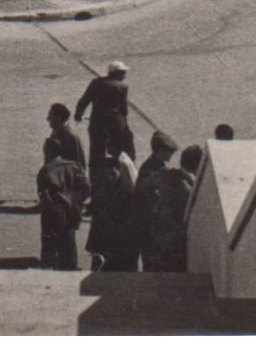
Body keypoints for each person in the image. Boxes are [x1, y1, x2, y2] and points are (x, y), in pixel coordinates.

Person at [134, 131, 192, 271]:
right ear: (160, 150)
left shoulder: (152, 165)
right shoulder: (151, 169)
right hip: (147, 224)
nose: (170, 157)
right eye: (169, 153)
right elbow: (148, 193)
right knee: (151, 261)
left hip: (149, 223)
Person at [75, 60, 136, 180]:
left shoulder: (96, 83)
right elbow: (124, 110)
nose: (125, 75)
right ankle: (118, 176)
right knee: (119, 150)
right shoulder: (122, 86)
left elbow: (84, 101)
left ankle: (95, 180)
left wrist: (78, 115)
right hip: (116, 124)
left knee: (96, 152)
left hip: (97, 123)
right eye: (123, 72)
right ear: (116, 73)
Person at [85, 151, 139, 271]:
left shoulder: (127, 192)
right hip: (102, 243)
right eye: (105, 172)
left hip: (120, 244)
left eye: (112, 172)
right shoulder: (101, 190)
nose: (108, 175)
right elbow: (96, 218)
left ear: (120, 171)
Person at [38, 147, 90, 271]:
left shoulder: (46, 169)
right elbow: (87, 187)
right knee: (69, 239)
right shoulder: (74, 166)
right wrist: (78, 201)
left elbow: (43, 195)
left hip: (54, 209)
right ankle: (70, 267)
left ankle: (50, 267)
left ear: (49, 152)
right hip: (72, 208)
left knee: (49, 240)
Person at [43, 102, 86, 167]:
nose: (48, 119)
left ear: (58, 117)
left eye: (50, 115)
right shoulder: (65, 134)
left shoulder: (65, 136)